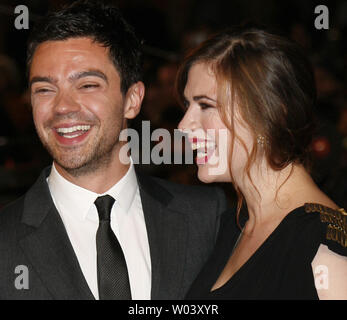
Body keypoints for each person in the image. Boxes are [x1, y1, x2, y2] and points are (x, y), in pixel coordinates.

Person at [0, 0, 228, 300]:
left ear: (133, 99)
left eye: (87, 85)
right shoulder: (5, 241)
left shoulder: (207, 218)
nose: (63, 107)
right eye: (44, 89)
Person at [176, 26, 347, 299]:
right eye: (187, 107)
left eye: (205, 105)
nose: (184, 126)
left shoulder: (325, 243)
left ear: (269, 113)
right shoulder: (232, 227)